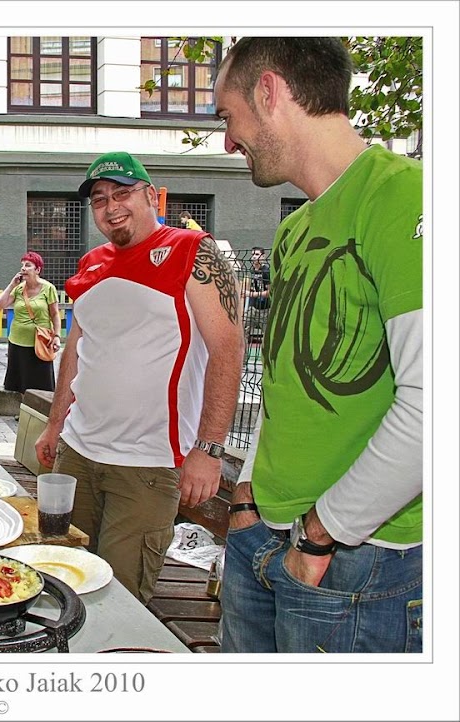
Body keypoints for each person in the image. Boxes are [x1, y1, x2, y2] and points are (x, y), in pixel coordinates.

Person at [214, 37, 422, 653]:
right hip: (268, 534)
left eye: (227, 116)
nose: (228, 141)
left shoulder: (405, 196)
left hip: (358, 559)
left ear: (269, 93)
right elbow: (282, 377)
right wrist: (247, 497)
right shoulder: (294, 228)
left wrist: (322, 532)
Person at [34, 151, 244, 605]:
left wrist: (209, 448)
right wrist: (54, 424)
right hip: (77, 453)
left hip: (147, 464)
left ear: (151, 195)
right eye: (99, 199)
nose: (111, 207)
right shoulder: (91, 263)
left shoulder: (192, 250)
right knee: (60, 583)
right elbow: (76, 350)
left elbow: (228, 349)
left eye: (122, 193)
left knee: (118, 599)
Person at [0, 251, 60, 393]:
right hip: (17, 341)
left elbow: (55, 314)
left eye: (28, 265)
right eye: (22, 265)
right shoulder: (18, 288)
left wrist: (56, 336)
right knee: (18, 384)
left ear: (38, 270)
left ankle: (37, 408)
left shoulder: (48, 288)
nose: (23, 268)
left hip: (40, 342)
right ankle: (20, 407)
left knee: (40, 384)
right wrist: (11, 285)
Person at [242, 245, 270, 346]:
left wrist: (251, 294)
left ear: (263, 256)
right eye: (253, 254)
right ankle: (243, 354)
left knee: (268, 337)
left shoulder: (266, 271)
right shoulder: (252, 270)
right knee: (243, 329)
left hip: (265, 310)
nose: (254, 257)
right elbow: (253, 286)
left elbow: (269, 292)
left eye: (257, 254)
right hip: (253, 308)